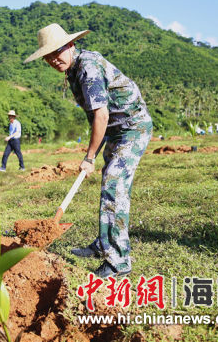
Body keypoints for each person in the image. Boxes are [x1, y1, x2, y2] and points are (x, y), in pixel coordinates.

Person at [24, 23, 152, 278]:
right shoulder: (73, 70)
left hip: (132, 128)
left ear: (70, 45)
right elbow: (97, 117)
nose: (53, 59)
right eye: (48, 56)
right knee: (110, 182)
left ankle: (118, 262)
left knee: (114, 186)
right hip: (115, 129)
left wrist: (90, 157)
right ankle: (103, 243)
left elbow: (101, 115)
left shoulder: (88, 68)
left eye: (57, 52)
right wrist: (96, 149)